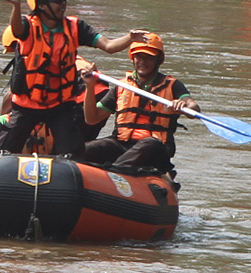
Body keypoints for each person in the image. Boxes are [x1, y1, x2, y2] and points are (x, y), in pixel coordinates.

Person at [0, 0, 136, 156]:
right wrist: (16, 6)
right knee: (5, 148)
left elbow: (109, 46)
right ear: (41, 5)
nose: (63, 3)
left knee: (72, 151)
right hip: (28, 104)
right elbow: (17, 30)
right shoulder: (28, 26)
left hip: (60, 104)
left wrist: (130, 38)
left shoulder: (76, 27)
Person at [77, 33, 193, 177]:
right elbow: (92, 119)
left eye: (149, 57)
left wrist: (183, 105)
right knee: (85, 149)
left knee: (150, 143)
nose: (142, 61)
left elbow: (192, 107)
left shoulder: (173, 85)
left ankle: (111, 173)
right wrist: (90, 86)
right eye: (139, 56)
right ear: (133, 58)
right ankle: (105, 172)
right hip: (122, 144)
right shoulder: (122, 86)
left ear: (158, 60)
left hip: (156, 150)